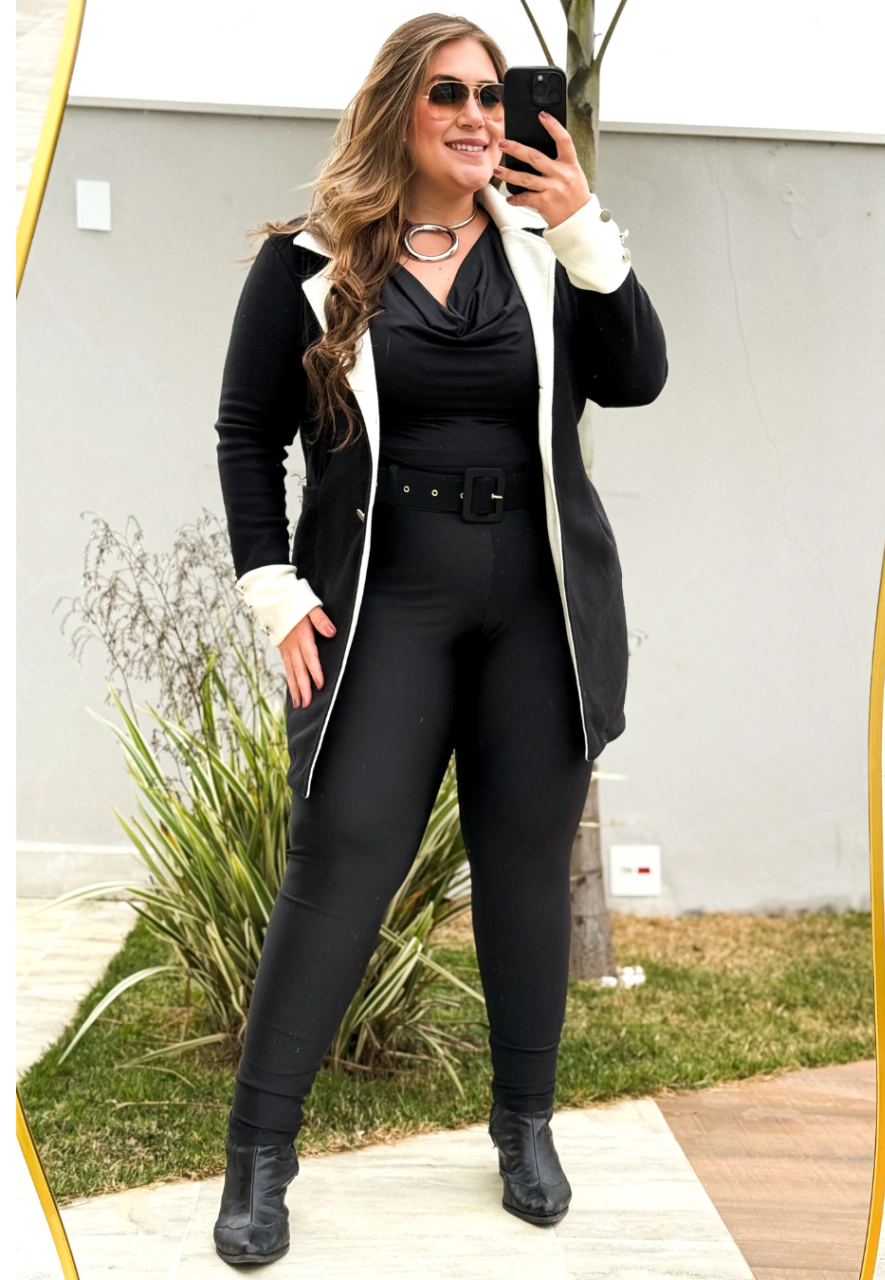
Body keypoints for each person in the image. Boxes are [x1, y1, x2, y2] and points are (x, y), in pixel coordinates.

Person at [211, 12, 667, 1267]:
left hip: (534, 604)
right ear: (396, 111)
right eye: (449, 94)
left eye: (491, 96)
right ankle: (259, 1152)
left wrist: (580, 224)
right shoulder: (306, 263)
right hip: (383, 601)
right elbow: (246, 431)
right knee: (340, 855)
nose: (477, 116)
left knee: (521, 865)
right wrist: (272, 585)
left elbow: (637, 376)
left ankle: (524, 1122)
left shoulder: (542, 247)